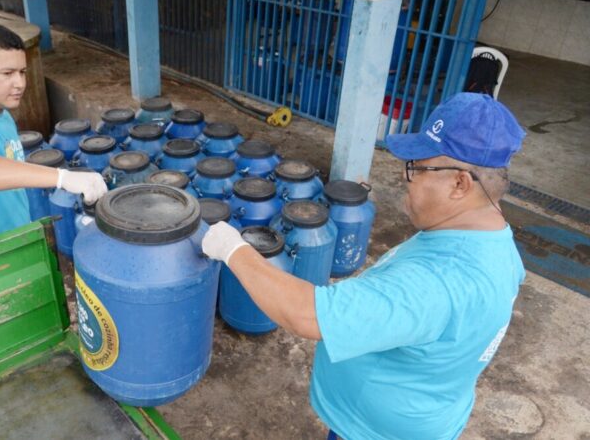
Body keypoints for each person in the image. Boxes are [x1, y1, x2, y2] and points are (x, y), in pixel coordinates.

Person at [202, 92, 526, 439]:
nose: (406, 177)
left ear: (460, 183)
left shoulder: (436, 282)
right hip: (426, 412)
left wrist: (233, 248)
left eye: (417, 167)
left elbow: (305, 314)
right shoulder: (494, 243)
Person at [0, 23, 106, 250]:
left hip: (15, 244)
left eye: (22, 72)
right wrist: (62, 177)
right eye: (7, 73)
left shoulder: (2, 115)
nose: (20, 84)